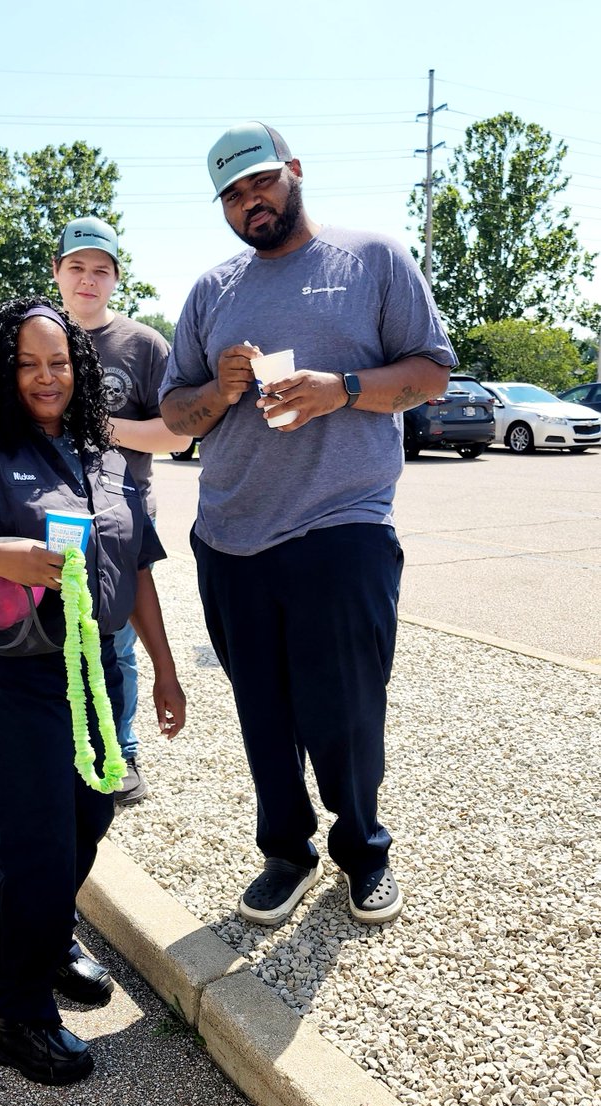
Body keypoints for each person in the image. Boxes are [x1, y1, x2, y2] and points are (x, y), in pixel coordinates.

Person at [0, 296, 185, 1085]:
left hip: (95, 673)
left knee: (88, 816)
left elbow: (138, 565)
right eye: (27, 363)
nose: (45, 377)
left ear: (79, 369)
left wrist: (164, 665)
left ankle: (45, 946)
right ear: (1, 372)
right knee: (34, 847)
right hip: (12, 680)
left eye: (58, 362)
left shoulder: (104, 453)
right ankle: (12, 1015)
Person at [159, 122, 456, 927]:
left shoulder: (373, 259)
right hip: (230, 536)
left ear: (293, 171)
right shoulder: (211, 291)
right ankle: (286, 853)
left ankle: (363, 851)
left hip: (341, 526)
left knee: (348, 708)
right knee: (263, 711)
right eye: (230, 193)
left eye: (259, 182)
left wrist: (343, 389)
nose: (248, 201)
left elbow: (432, 371)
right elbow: (177, 416)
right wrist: (217, 395)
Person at [53, 216, 192, 806]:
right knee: (52, 631)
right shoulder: (36, 336)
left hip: (125, 514)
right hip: (50, 512)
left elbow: (178, 436)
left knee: (118, 637)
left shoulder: (144, 344)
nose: (89, 280)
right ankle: (63, 744)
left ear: (116, 278)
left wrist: (100, 427)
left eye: (101, 270)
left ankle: (123, 748)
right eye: (77, 267)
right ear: (57, 272)